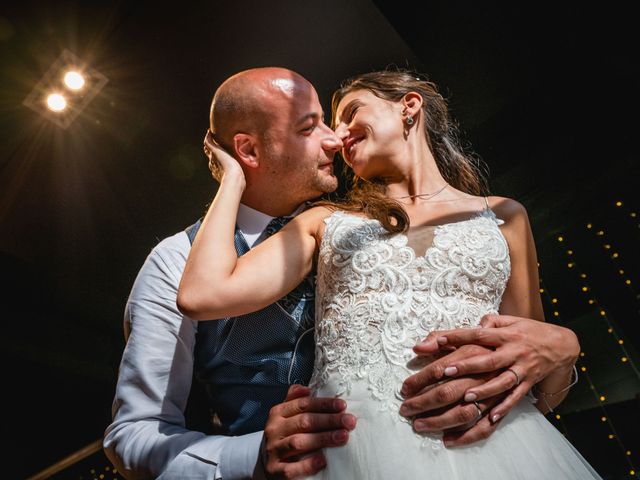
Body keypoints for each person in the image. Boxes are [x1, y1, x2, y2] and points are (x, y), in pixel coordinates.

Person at [104, 66, 582, 480]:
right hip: (347, 457)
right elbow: (133, 434)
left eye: (345, 117)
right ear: (248, 149)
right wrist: (251, 456)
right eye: (313, 127)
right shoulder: (192, 257)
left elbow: (527, 374)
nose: (336, 138)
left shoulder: (493, 217)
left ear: (409, 109)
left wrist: (563, 350)